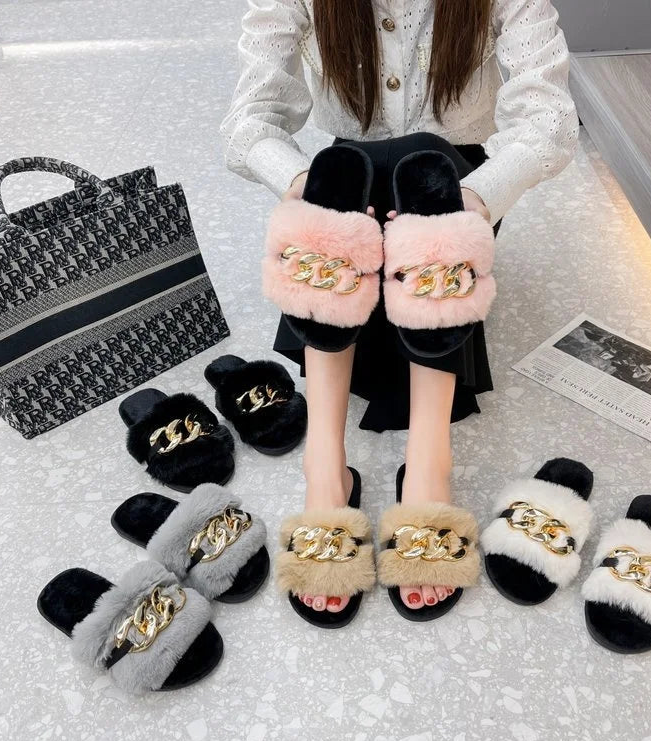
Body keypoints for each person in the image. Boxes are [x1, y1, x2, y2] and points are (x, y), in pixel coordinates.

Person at [221, 0, 578, 618]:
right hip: (350, 198)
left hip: (454, 189)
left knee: (424, 172)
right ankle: (325, 469)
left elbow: (549, 122)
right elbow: (247, 120)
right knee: (335, 180)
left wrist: (476, 197)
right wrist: (299, 186)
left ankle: (428, 465)